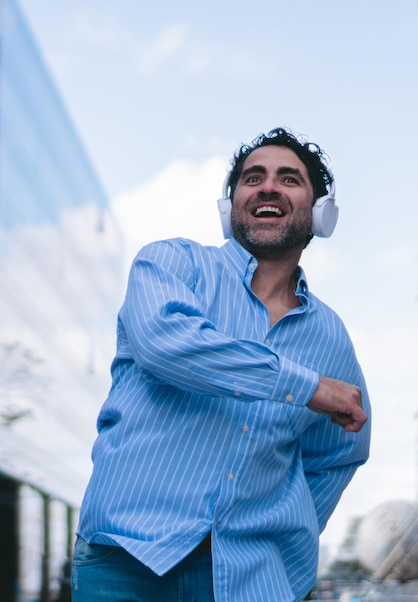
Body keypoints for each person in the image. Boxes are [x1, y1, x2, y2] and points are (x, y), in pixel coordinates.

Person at [71, 127, 371, 602]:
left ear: (321, 214)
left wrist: (284, 546)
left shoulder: (331, 338)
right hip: (127, 558)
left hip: (251, 579)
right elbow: (166, 343)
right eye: (253, 178)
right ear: (231, 207)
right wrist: (306, 386)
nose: (268, 187)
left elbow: (338, 455)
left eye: (288, 179)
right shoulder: (170, 264)